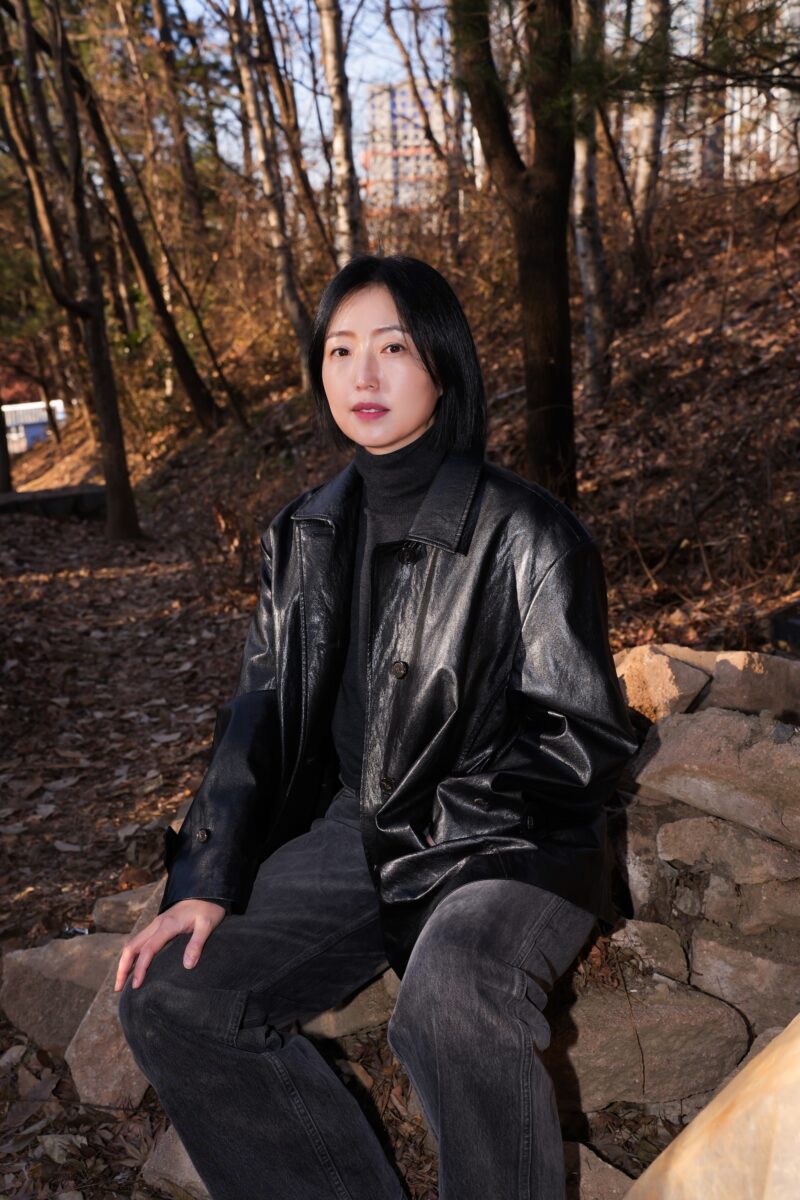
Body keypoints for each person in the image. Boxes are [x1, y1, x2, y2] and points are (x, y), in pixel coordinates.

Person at [116, 254, 638, 1200]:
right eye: (340, 349)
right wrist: (207, 877)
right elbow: (258, 716)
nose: (363, 374)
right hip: (354, 832)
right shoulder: (299, 535)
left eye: (392, 348)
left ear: (442, 363)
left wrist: (443, 828)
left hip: (507, 839)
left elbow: (582, 740)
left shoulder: (530, 533)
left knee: (450, 997)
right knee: (169, 993)